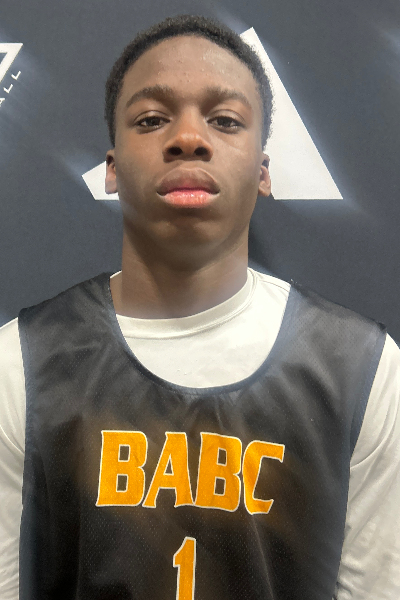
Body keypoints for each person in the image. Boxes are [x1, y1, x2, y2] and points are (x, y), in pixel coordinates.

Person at [0, 14, 399, 600]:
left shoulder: (362, 369)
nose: (188, 137)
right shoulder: (21, 363)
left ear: (263, 171)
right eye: (151, 119)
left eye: (225, 120)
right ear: (112, 169)